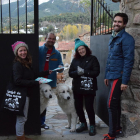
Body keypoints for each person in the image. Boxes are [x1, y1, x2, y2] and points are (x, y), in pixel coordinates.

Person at [103, 13, 135, 140]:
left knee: (111, 104)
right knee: (115, 104)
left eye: (119, 22)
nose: (116, 23)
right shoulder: (113, 37)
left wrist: (125, 81)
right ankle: (117, 128)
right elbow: (110, 58)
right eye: (115, 21)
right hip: (111, 75)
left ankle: (111, 135)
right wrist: (106, 75)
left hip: (119, 76)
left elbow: (129, 61)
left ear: (125, 24)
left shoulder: (127, 39)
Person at [11, 41, 52, 140]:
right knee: (21, 118)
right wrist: (35, 83)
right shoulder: (17, 65)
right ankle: (20, 138)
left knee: (23, 118)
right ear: (17, 52)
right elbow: (18, 81)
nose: (23, 52)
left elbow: (33, 75)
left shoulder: (26, 63)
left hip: (26, 94)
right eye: (20, 51)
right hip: (21, 95)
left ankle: (22, 136)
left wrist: (46, 72)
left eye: (24, 50)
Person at [69, 38, 100, 136]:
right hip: (77, 87)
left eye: (82, 48)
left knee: (89, 107)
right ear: (77, 51)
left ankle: (92, 125)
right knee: (78, 107)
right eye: (79, 50)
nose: (81, 51)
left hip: (89, 87)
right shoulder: (75, 60)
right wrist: (77, 72)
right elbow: (70, 73)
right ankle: (83, 124)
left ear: (86, 48)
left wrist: (85, 72)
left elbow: (96, 72)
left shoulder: (93, 59)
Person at [39, 32, 63, 129]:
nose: (51, 40)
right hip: (37, 80)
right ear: (45, 38)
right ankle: (33, 122)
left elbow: (60, 67)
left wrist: (61, 67)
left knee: (44, 103)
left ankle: (41, 122)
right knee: (36, 102)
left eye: (53, 39)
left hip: (49, 82)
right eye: (50, 38)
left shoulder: (57, 53)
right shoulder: (38, 50)